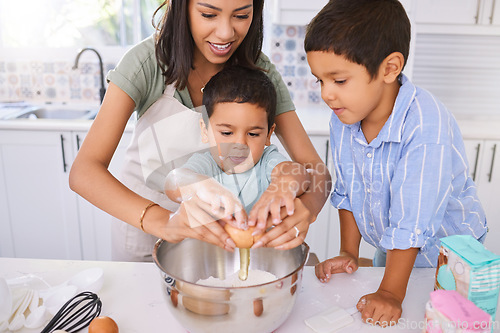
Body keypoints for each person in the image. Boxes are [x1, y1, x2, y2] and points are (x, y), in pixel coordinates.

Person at [68, 0, 331, 262]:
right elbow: (84, 172)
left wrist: (306, 208)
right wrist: (165, 221)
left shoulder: (258, 73)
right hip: (145, 234)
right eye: (208, 14)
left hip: (218, 247)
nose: (226, 32)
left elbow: (317, 171)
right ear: (183, 8)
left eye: (241, 15)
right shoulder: (147, 63)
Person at [304, 0, 487, 327]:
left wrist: (390, 292)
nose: (327, 95)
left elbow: (412, 221)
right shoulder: (345, 117)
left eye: (339, 81)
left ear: (389, 68)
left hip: (447, 260)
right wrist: (349, 253)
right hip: (395, 249)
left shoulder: (424, 125)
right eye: (320, 80)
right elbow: (349, 191)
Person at [165, 66, 311, 237]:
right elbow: (173, 181)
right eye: (227, 133)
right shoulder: (206, 165)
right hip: (210, 257)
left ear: (268, 134)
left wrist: (285, 184)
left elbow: (299, 173)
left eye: (253, 134)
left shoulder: (267, 162)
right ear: (205, 131)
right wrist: (198, 185)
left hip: (263, 256)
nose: (240, 144)